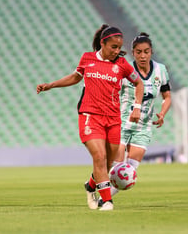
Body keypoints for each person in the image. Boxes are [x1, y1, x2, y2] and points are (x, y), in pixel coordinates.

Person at [36, 25, 144, 211]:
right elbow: (75, 77)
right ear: (103, 43)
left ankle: (90, 186)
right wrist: (51, 85)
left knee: (109, 163)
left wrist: (137, 107)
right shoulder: (87, 58)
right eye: (113, 47)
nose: (117, 51)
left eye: (119, 48)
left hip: (113, 119)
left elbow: (139, 83)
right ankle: (107, 201)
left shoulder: (122, 64)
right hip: (89, 116)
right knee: (99, 156)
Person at [103, 32, 171, 202]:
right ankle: (99, 192)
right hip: (122, 123)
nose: (142, 56)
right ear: (133, 52)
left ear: (151, 52)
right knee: (116, 167)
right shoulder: (125, 69)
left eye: (146, 52)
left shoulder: (160, 70)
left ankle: (103, 199)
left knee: (129, 171)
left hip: (144, 126)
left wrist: (162, 113)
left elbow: (167, 96)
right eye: (139, 52)